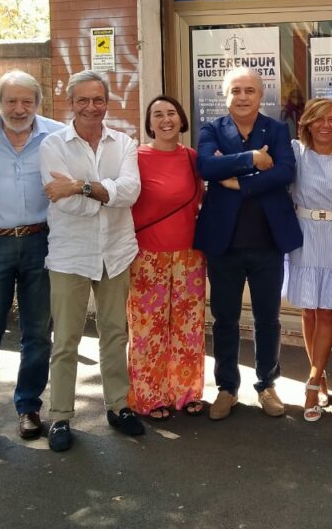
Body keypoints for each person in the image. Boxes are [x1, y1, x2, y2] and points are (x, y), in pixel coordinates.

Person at [0, 70, 63, 451]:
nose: (19, 109)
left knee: (38, 333)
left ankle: (29, 407)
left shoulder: (56, 134)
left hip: (42, 242)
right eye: (11, 101)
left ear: (38, 103)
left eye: (27, 102)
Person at [40, 70, 143, 452]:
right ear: (70, 103)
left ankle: (118, 406)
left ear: (106, 102)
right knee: (66, 339)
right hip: (71, 255)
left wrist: (80, 185)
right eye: (82, 100)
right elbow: (65, 204)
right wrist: (104, 194)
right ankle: (60, 416)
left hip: (116, 251)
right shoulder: (53, 145)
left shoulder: (125, 143)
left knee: (115, 333)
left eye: (98, 99)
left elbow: (131, 192)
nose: (91, 107)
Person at [194, 68, 302, 421]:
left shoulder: (277, 129)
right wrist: (253, 159)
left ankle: (266, 385)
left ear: (260, 95)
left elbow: (285, 171)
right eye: (236, 90)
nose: (242, 97)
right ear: (226, 95)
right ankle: (227, 388)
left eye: (249, 90)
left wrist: (240, 182)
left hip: (268, 242)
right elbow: (206, 167)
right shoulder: (211, 129)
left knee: (267, 319)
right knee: (224, 318)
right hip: (224, 243)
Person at [127, 95, 206, 420]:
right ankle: (149, 397)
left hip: (189, 256)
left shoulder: (191, 157)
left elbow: (200, 201)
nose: (165, 120)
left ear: (181, 119)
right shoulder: (135, 157)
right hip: (147, 257)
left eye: (171, 113)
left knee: (189, 328)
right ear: (149, 123)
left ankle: (187, 392)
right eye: (157, 114)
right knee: (149, 329)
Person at [286, 98, 332, 422]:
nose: (325, 125)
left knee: (328, 311)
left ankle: (312, 383)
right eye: (318, 119)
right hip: (305, 233)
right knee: (308, 310)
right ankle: (319, 372)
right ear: (307, 123)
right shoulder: (296, 152)